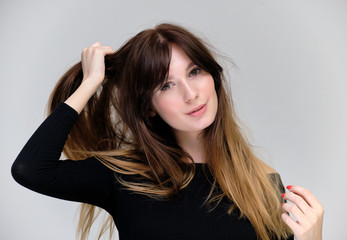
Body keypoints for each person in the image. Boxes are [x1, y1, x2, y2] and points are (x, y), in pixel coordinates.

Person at [11, 23, 324, 240]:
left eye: (195, 72)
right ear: (149, 107)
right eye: (166, 84)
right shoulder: (125, 178)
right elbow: (30, 169)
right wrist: (90, 82)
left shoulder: (262, 184)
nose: (191, 94)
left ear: (213, 77)